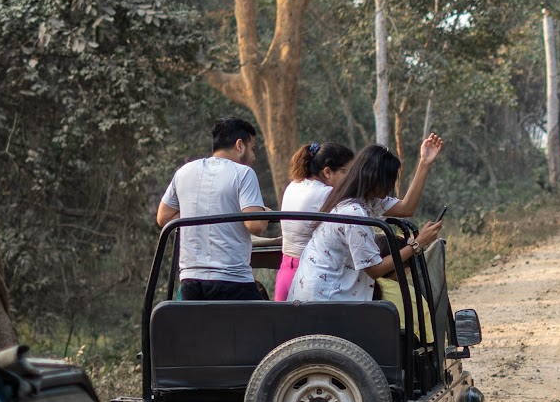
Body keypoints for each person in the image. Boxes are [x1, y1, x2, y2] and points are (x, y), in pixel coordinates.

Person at [287, 145, 442, 304]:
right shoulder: (353, 212)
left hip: (317, 296)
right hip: (325, 299)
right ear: (376, 179)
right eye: (390, 180)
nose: (391, 186)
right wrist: (417, 244)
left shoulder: (361, 199)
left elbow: (406, 208)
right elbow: (375, 270)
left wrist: (424, 163)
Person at [156, 117, 270, 301]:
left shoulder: (184, 172)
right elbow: (256, 225)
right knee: (265, 319)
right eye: (253, 148)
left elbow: (163, 218)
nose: (254, 157)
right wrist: (264, 212)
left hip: (190, 281)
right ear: (240, 145)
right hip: (233, 281)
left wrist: (201, 212)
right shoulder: (243, 173)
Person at [276, 142, 356, 301]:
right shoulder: (327, 193)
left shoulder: (294, 185)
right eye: (345, 172)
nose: (349, 178)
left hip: (285, 272)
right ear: (327, 172)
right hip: (307, 276)